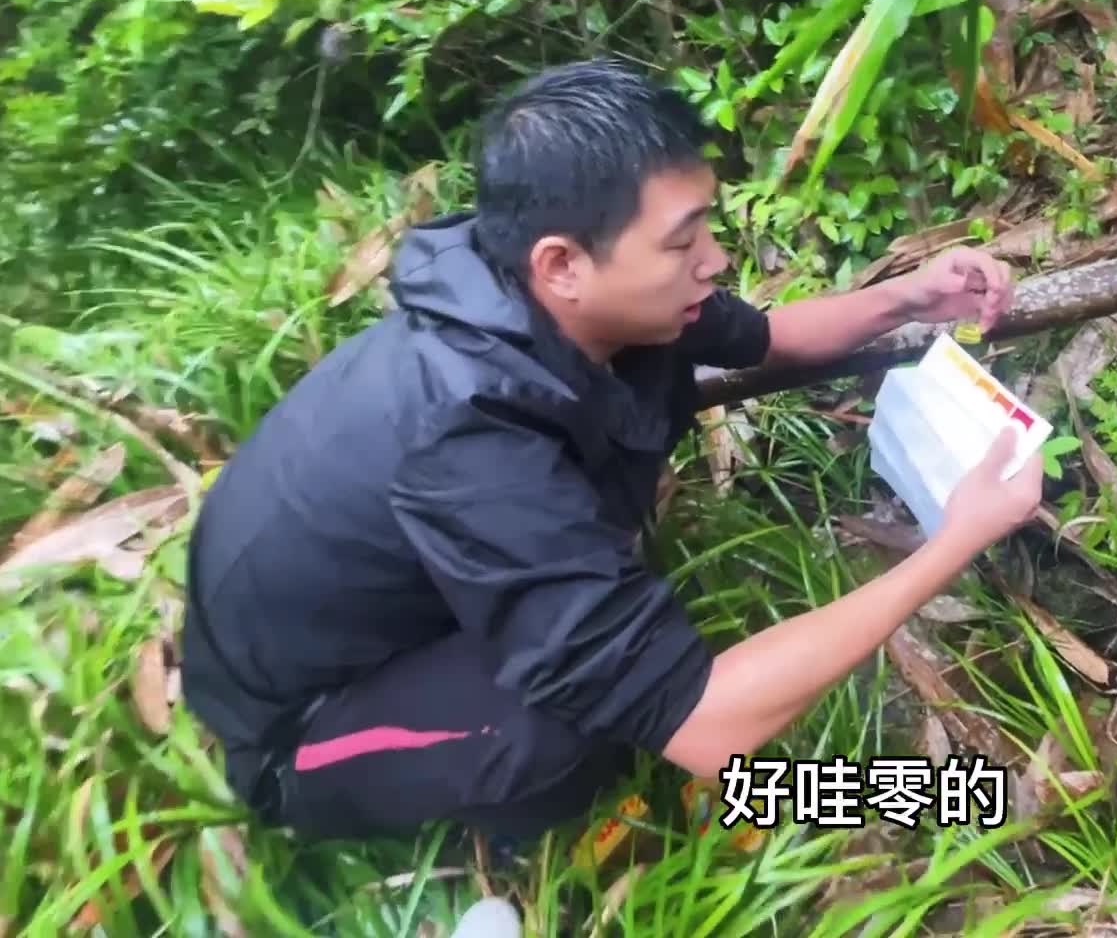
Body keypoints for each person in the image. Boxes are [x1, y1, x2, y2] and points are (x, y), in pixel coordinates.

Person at [178, 60, 1046, 875]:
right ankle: (558, 833)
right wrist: (955, 538)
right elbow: (711, 728)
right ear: (563, 263)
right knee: (563, 728)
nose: (713, 259)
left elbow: (770, 338)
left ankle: (613, 711)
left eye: (707, 222)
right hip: (311, 725)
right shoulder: (468, 440)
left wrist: (910, 295)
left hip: (424, 599)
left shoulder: (588, 294)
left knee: (617, 677)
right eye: (682, 241)